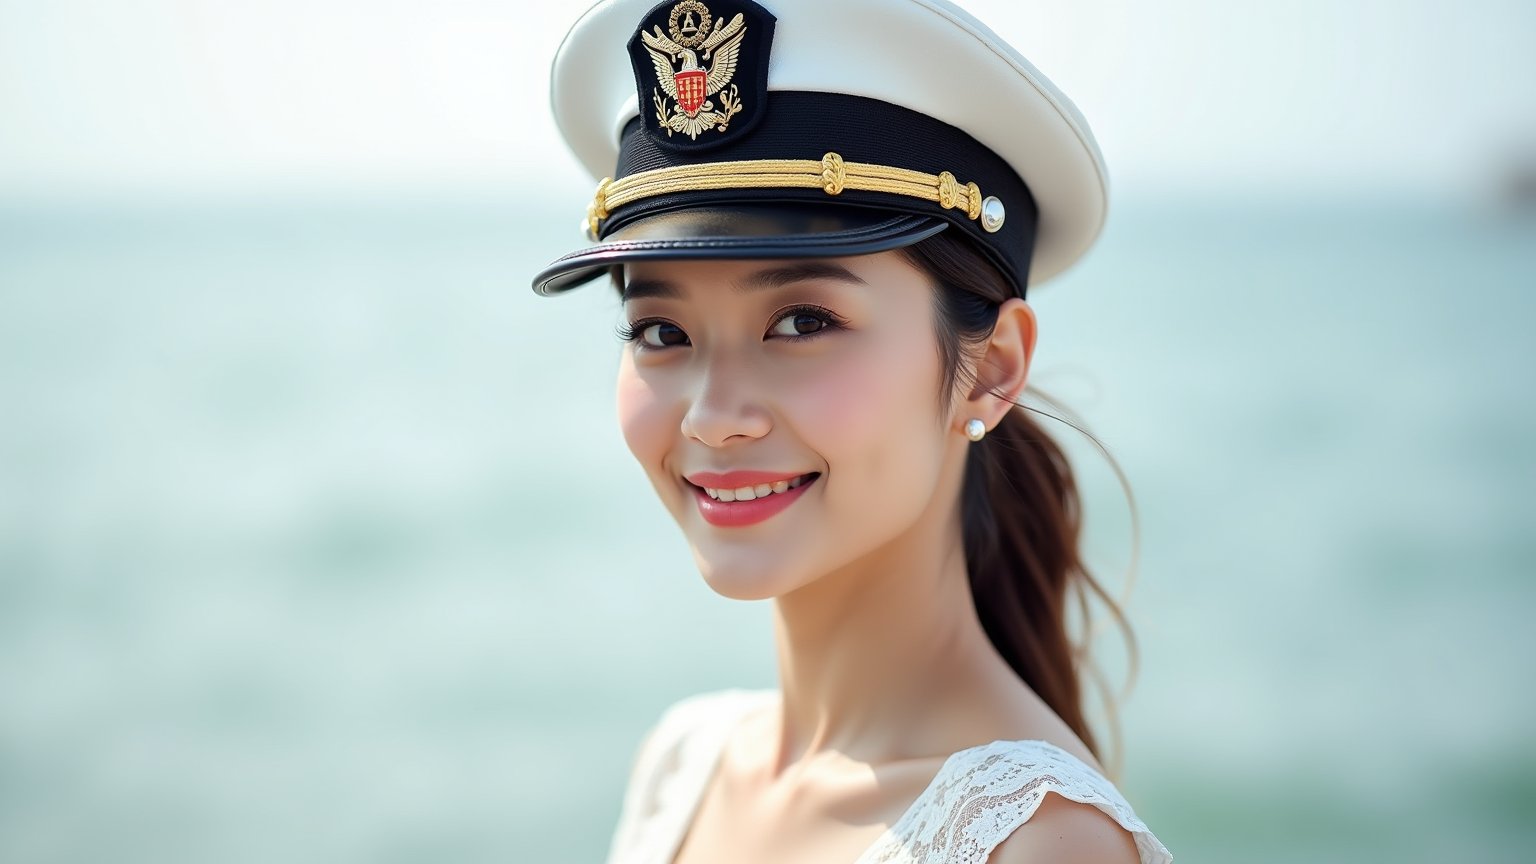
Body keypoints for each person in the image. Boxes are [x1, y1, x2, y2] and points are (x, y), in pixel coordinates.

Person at [532, 0, 1173, 861]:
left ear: (990, 368)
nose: (714, 418)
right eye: (661, 331)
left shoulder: (1041, 845)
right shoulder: (687, 764)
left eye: (801, 322)